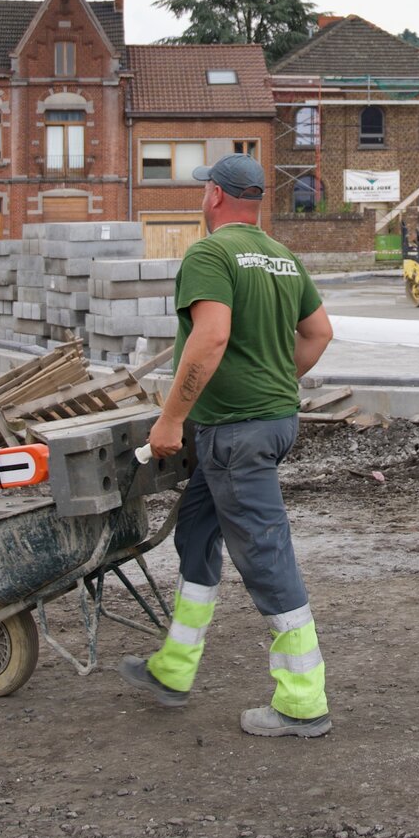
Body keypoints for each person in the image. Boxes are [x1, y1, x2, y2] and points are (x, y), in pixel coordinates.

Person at [120, 154, 337, 737]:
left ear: (214, 195)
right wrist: (274, 381)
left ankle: (302, 701)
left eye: (202, 190)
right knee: (196, 533)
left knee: (266, 557)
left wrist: (170, 421)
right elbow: (319, 333)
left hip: (235, 434)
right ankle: (174, 667)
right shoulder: (282, 258)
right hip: (270, 424)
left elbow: (211, 336)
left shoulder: (209, 254)